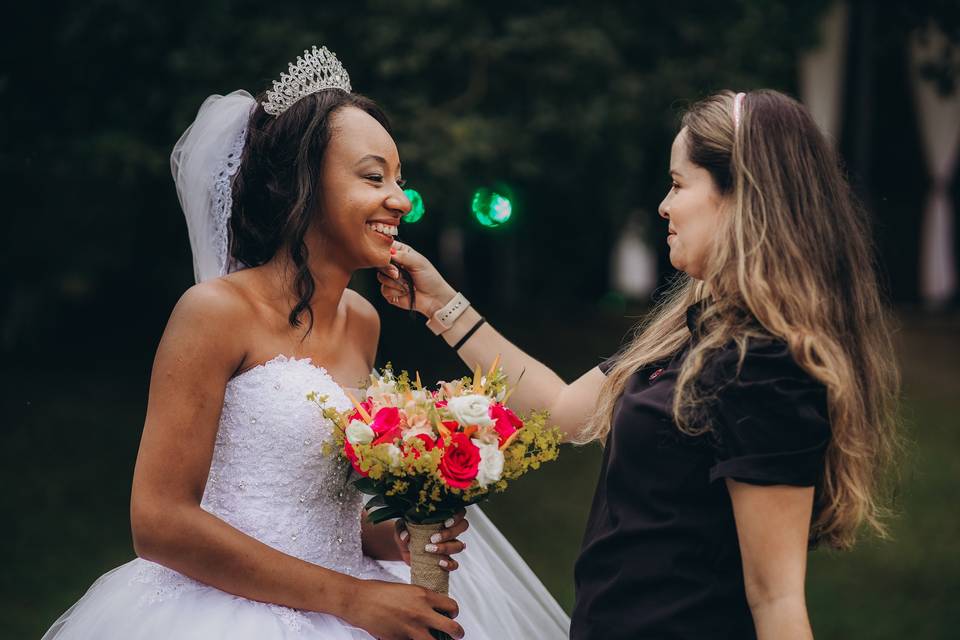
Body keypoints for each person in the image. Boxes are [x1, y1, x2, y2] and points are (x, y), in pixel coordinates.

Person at [43, 46, 569, 640]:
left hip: (355, 599)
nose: (399, 200)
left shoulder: (363, 319)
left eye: (400, 180)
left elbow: (326, 504)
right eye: (374, 177)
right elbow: (160, 521)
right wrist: (351, 598)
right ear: (304, 184)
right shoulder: (215, 312)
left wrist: (399, 532)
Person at [379, 89, 901, 639]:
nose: (663, 205)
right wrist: (441, 305)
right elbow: (561, 412)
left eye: (678, 184)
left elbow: (775, 599)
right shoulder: (688, 333)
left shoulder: (766, 367)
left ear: (742, 194)